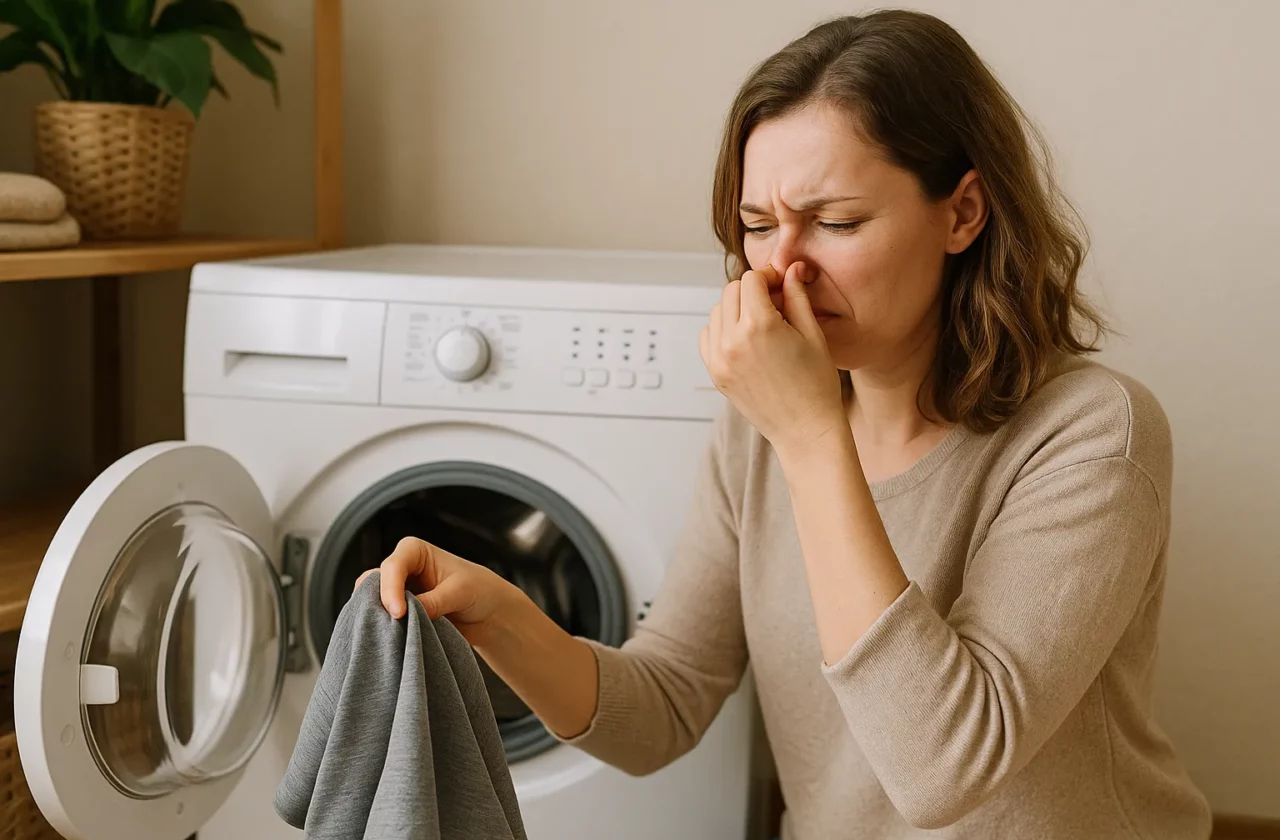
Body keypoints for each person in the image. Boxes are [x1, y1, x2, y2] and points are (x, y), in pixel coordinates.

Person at [358, 10, 1212, 839]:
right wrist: (498, 616)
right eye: (758, 226)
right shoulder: (757, 432)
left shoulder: (1094, 432)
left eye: (836, 222)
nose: (782, 266)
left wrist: (808, 435)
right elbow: (665, 703)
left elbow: (944, 769)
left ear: (963, 213)